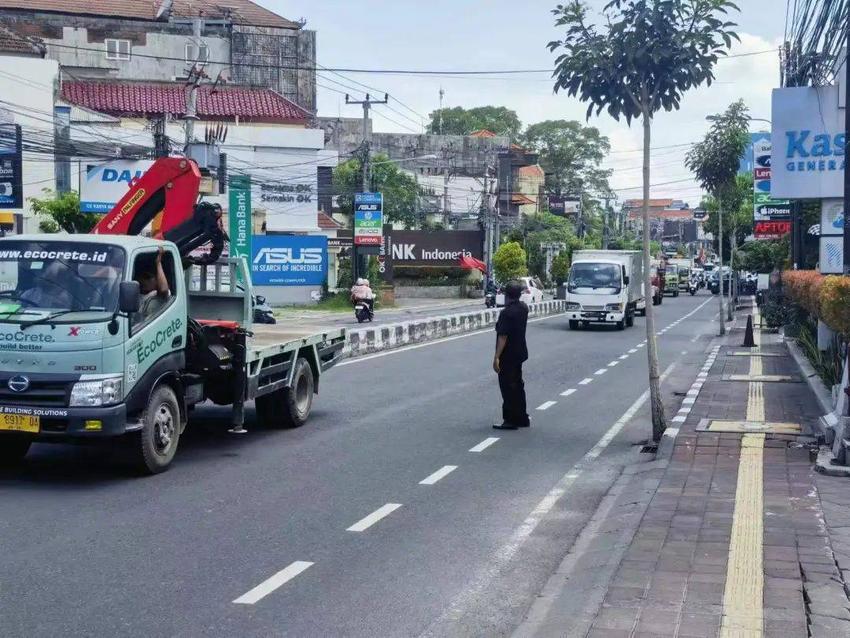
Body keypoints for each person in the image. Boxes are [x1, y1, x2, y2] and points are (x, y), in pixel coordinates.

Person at [493, 280, 529, 430]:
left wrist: (496, 357)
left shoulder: (507, 313)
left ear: (506, 295)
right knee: (518, 385)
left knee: (508, 387)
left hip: (508, 355)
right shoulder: (523, 308)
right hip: (520, 352)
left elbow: (503, 337)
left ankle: (510, 419)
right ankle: (522, 417)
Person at [135, 247, 171, 322]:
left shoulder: (159, 296)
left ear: (158, 279)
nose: (143, 281)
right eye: (141, 277)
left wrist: (158, 263)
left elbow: (164, 289)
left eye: (147, 277)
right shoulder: (134, 294)